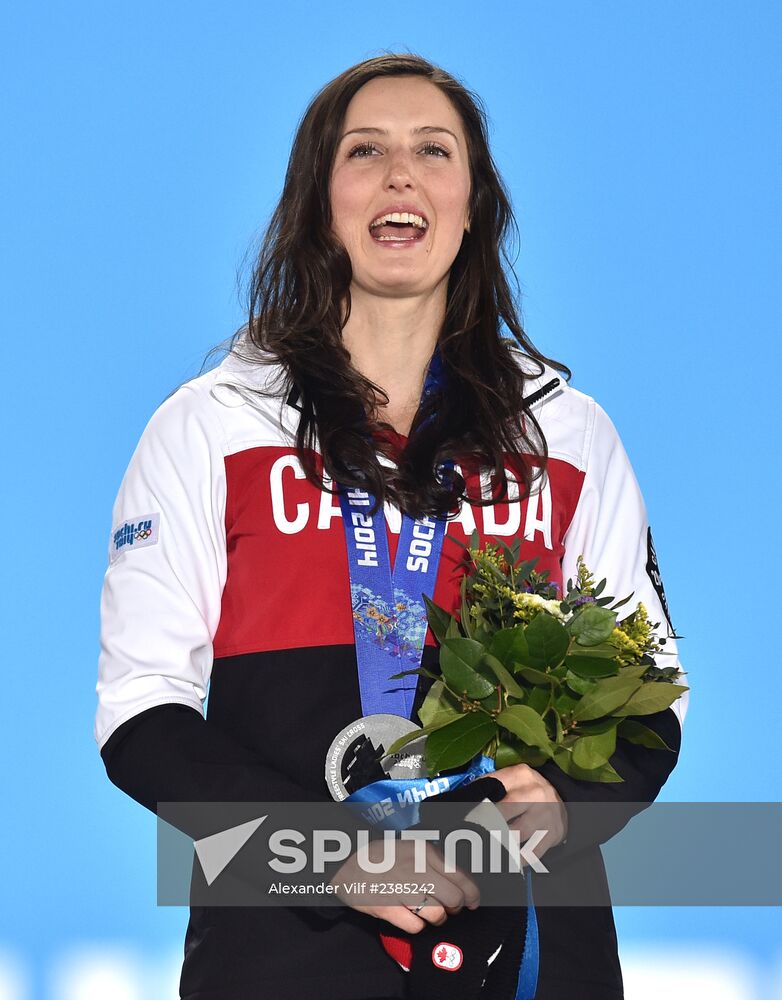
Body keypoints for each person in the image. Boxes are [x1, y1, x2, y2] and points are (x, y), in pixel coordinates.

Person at [95, 54, 688, 1000]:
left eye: (433, 150)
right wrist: (331, 856)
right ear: (317, 199)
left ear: (473, 202)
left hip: (529, 953)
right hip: (286, 954)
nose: (400, 174)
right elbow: (142, 713)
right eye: (365, 150)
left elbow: (652, 692)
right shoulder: (212, 424)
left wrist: (572, 803)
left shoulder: (570, 434)